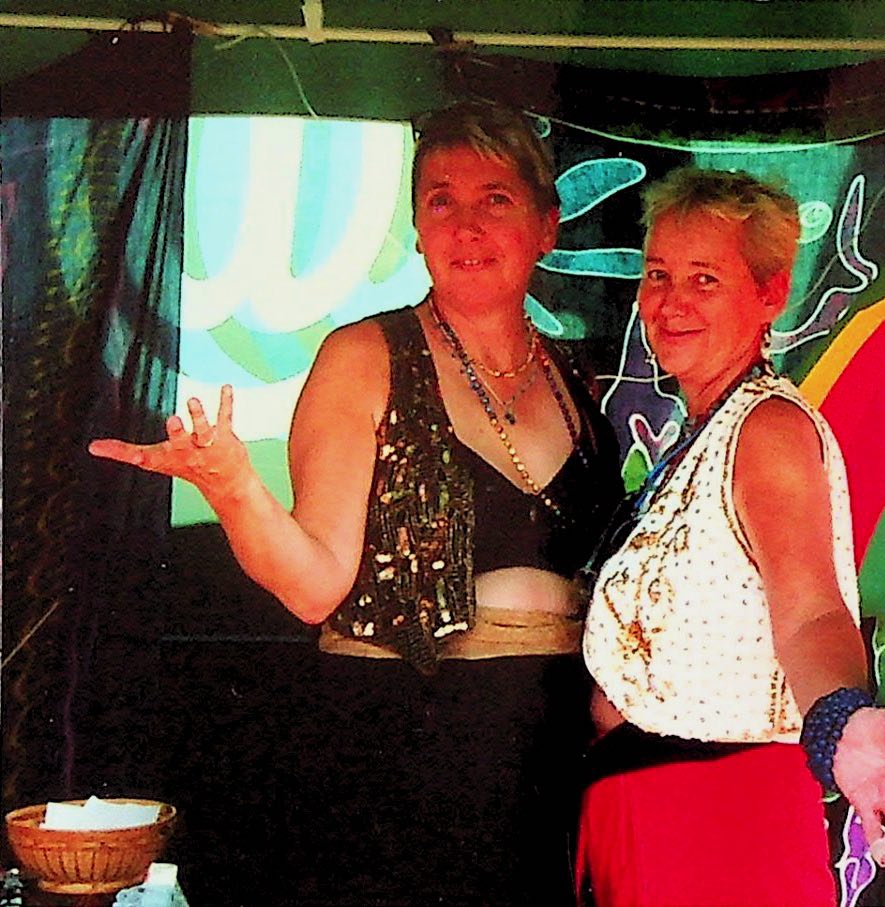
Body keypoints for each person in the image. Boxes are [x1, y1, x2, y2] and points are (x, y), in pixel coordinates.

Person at [90, 99, 624, 906]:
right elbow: (314, 586)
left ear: (546, 226)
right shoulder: (365, 355)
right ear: (417, 228)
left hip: (553, 751)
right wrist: (234, 489)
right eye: (441, 200)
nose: (466, 226)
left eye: (495, 199)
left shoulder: (572, 375)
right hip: (403, 743)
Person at [578, 168, 885, 906]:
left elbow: (812, 610)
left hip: (717, 819)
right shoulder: (702, 432)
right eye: (658, 275)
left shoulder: (767, 429)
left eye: (704, 279)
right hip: (649, 811)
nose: (671, 302)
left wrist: (840, 719)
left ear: (771, 293)